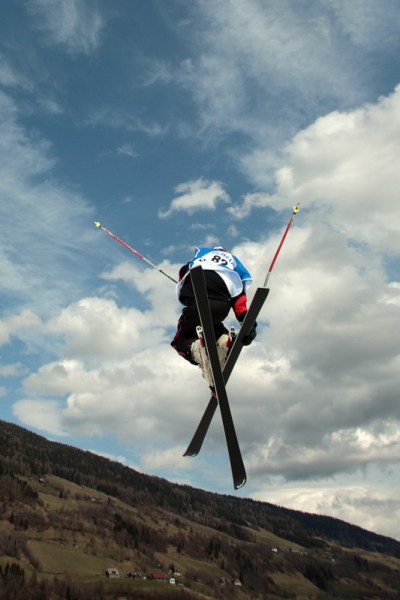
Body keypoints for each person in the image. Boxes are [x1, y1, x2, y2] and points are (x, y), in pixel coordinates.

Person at [171, 246, 257, 380]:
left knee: (180, 340)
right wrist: (249, 325)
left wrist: (186, 286)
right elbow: (240, 301)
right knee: (214, 327)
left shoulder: (200, 257)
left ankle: (196, 350)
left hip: (198, 298)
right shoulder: (233, 264)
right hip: (221, 305)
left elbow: (182, 272)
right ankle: (223, 343)